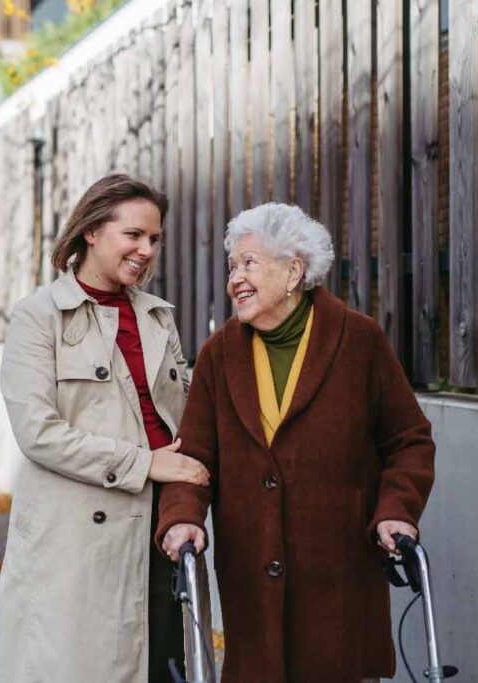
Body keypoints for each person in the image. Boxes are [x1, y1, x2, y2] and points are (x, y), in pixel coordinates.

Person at [157, 203, 436, 682]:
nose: (235, 279)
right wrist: (182, 518)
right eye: (232, 266)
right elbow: (195, 455)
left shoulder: (359, 341)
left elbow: (408, 440)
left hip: (340, 574)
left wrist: (397, 508)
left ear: (293, 272)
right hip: (251, 579)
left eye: (249, 263)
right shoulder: (219, 355)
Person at [0, 174, 210, 682]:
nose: (146, 250)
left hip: (162, 523)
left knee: (164, 664)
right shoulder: (38, 318)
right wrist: (144, 462)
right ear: (91, 231)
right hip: (76, 541)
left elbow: (185, 408)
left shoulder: (158, 318)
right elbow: (37, 432)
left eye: (154, 239)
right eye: (133, 235)